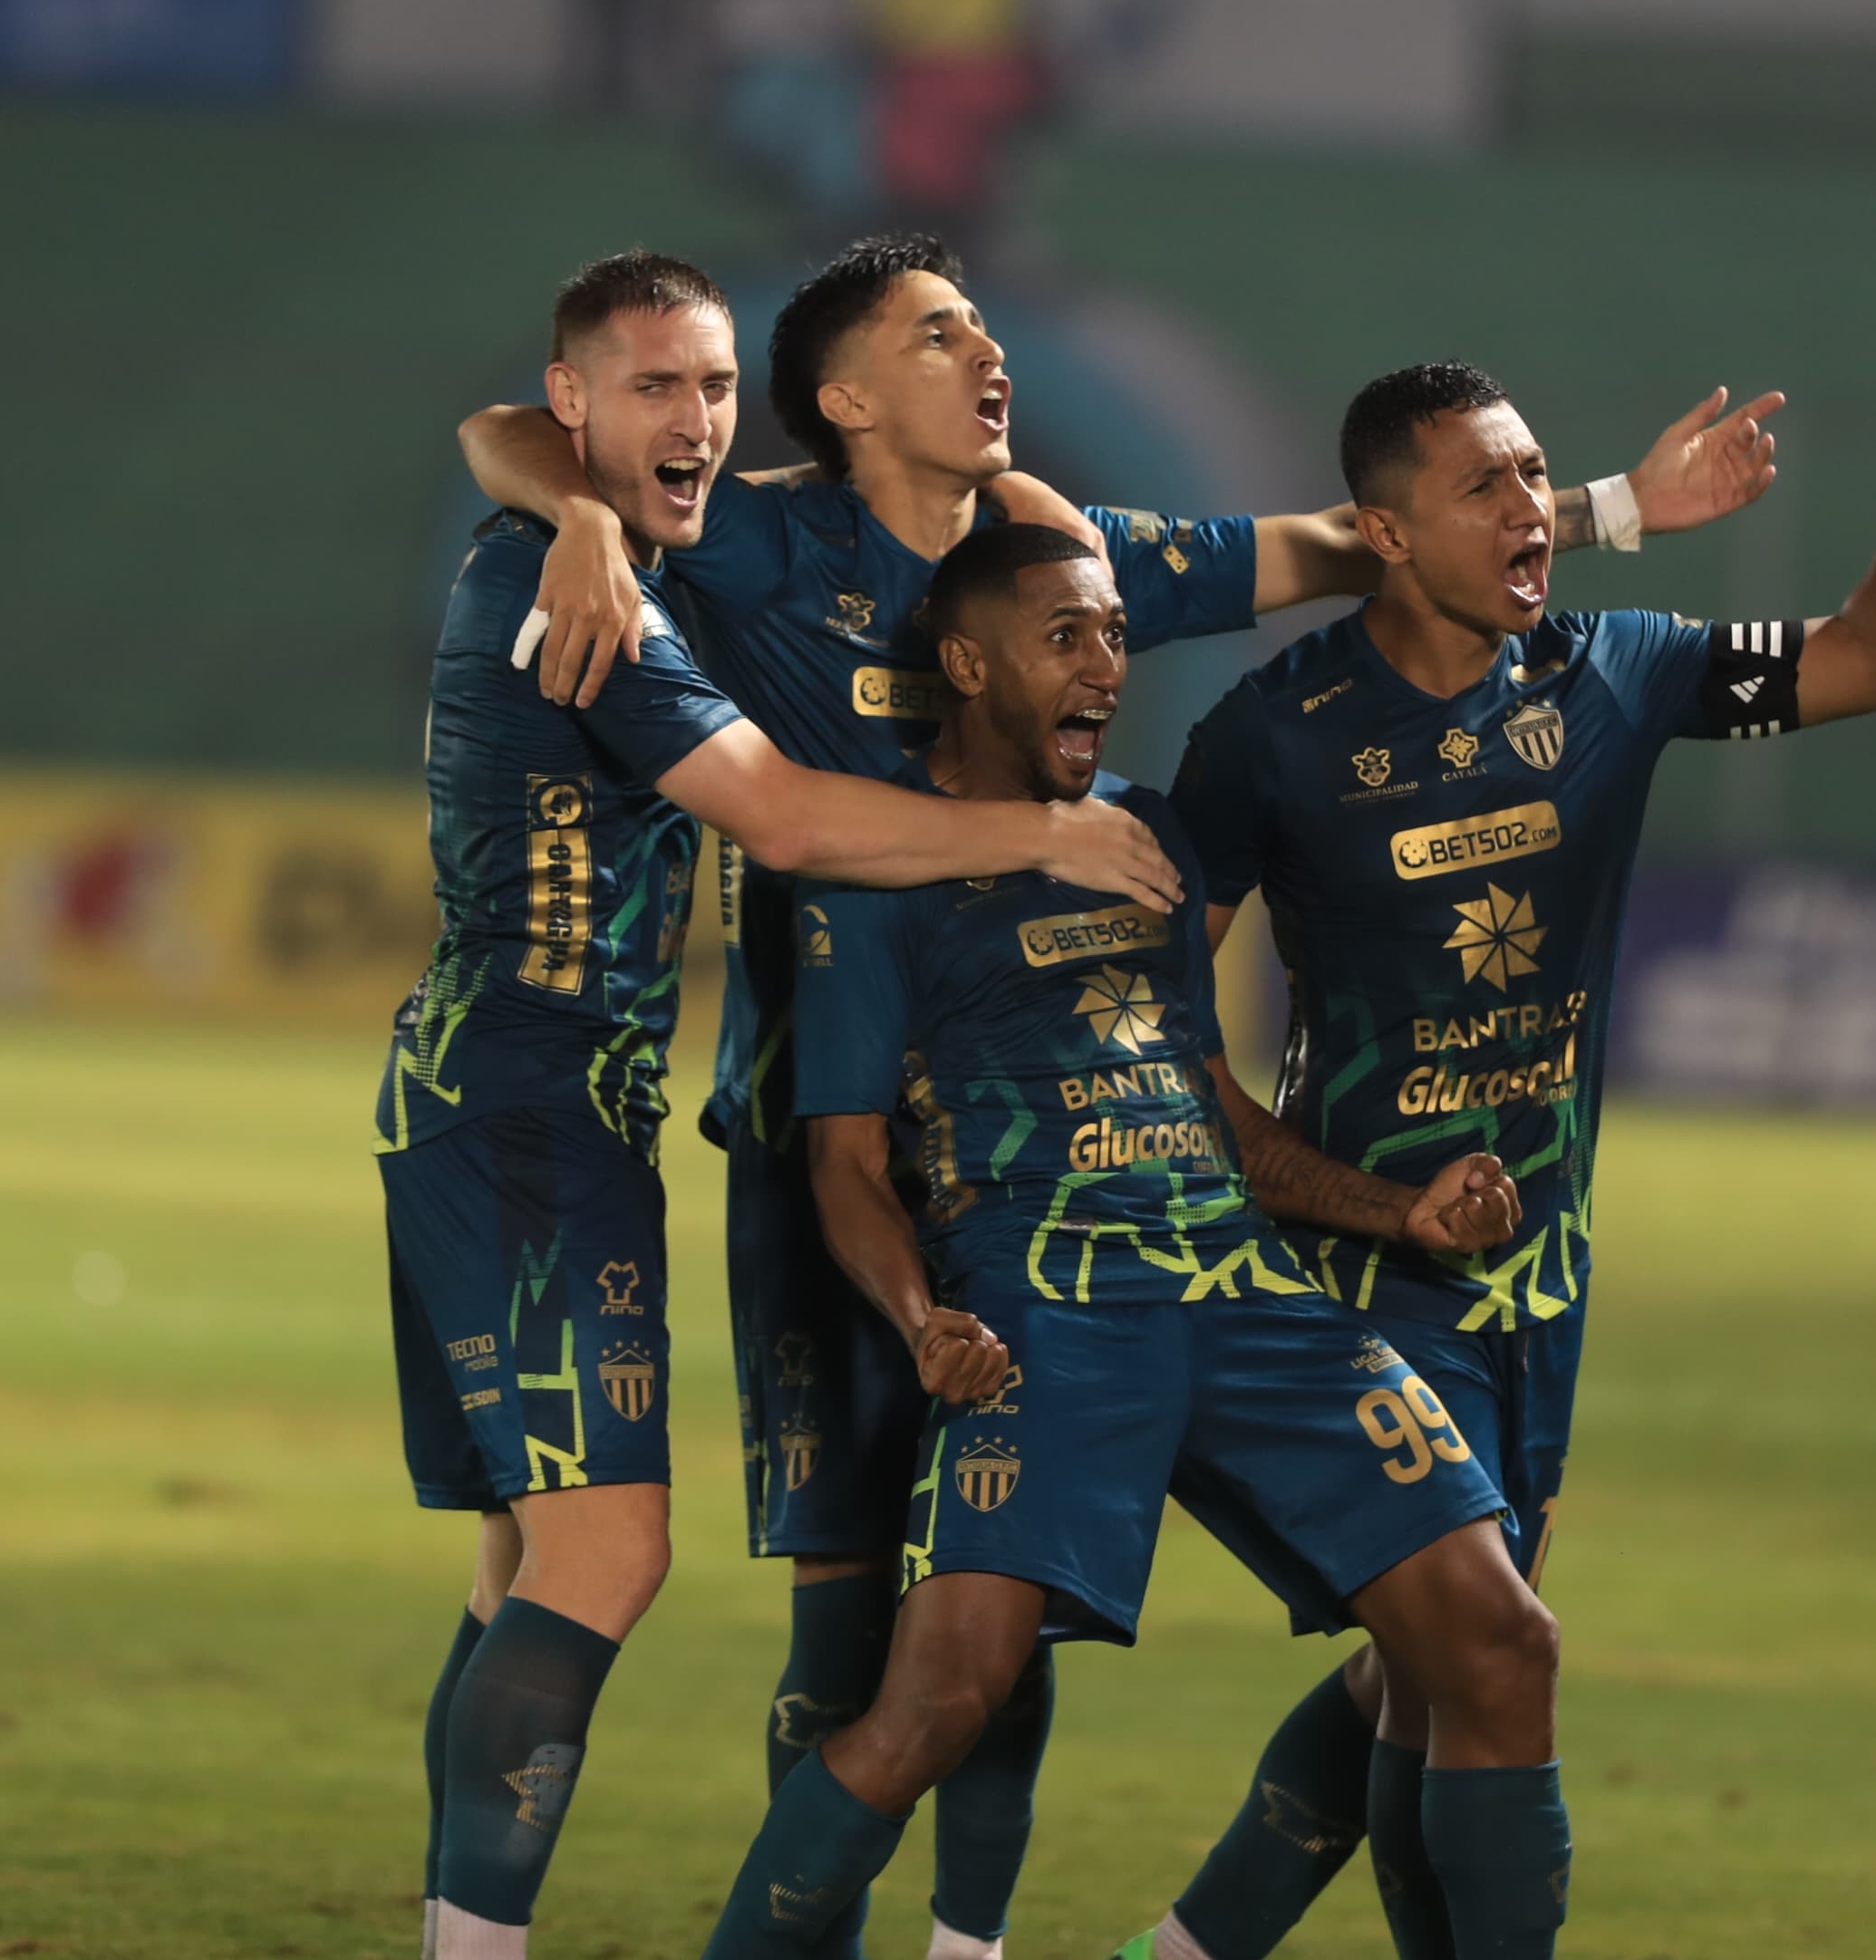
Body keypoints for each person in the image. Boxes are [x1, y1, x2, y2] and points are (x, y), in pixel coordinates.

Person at [451, 232, 1780, 1960]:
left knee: (1012, 1630)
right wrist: (580, 518)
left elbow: (1327, 546)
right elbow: (514, 429)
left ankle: (973, 1947)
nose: (986, 353)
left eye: (985, 328)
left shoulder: (1074, 558)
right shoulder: (754, 538)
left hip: (1100, 1206)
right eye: (939, 336)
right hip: (830, 1120)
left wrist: (1604, 508)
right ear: (846, 400)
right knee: (861, 1620)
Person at [1115, 351, 1876, 1960]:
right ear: (1383, 534)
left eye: (1536, 478)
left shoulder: (1619, 674)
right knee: (1493, 1654)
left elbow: (1875, 657)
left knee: (1425, 1672)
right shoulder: (1275, 739)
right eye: (1485, 486)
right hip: (1358, 1283)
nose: (1531, 510)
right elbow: (1167, 1052)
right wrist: (1384, 1207)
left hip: (1542, 1273)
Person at [374, 251, 1181, 1960]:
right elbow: (790, 823)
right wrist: (1043, 832)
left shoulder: (622, 552)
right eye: (655, 388)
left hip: (531, 1095)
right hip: (525, 1096)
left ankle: (453, 1924)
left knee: (523, 1562)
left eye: (715, 387)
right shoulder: (570, 589)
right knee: (611, 1554)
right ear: (577, 405)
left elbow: (512, 437)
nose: (697, 421)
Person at [699, 519, 1581, 1960]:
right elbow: (847, 1164)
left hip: (1246, 1304)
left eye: (1115, 633)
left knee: (1503, 1641)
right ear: (969, 663)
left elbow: (1215, 1108)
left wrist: (1395, 1210)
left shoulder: (1150, 834)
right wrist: (925, 1317)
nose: (1105, 662)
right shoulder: (870, 882)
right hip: (1049, 1321)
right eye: (1067, 636)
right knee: (935, 1702)